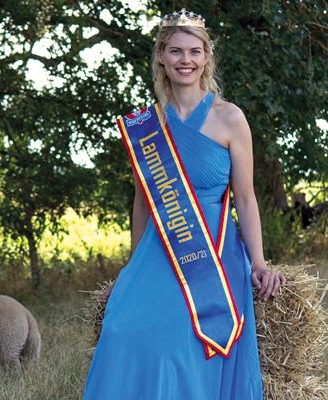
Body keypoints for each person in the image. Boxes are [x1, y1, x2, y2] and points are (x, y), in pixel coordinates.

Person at [82, 9, 286, 400]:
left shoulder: (231, 119)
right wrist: (132, 266)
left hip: (215, 252)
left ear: (207, 57)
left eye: (194, 51)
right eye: (176, 51)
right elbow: (142, 204)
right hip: (161, 250)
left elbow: (245, 197)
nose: (186, 60)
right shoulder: (147, 127)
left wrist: (259, 262)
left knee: (181, 347)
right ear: (161, 56)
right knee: (121, 329)